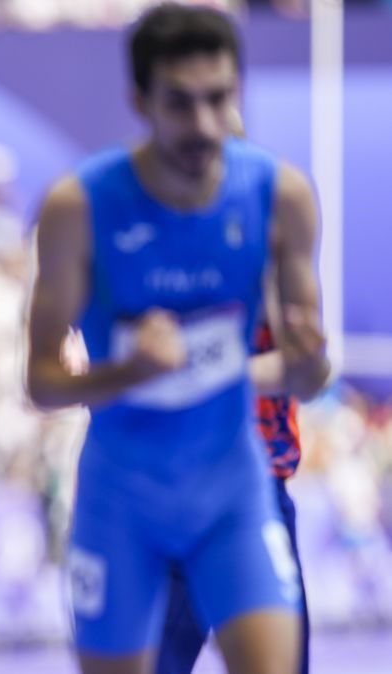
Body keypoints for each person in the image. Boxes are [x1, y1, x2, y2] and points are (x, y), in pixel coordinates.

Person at [26, 4, 329, 673]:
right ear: (140, 101)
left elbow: (310, 379)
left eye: (218, 101)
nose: (203, 126)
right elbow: (41, 384)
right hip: (122, 506)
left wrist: (308, 362)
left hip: (238, 492)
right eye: (181, 104)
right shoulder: (78, 207)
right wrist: (130, 373)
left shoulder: (278, 196)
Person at [156, 114, 314, 674]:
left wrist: (211, 374)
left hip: (254, 490)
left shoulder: (270, 257)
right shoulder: (146, 249)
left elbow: (307, 366)